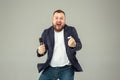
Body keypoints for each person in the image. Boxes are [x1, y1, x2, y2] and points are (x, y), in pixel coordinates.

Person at [37, 9, 83, 80]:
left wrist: (74, 45)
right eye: (56, 18)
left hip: (67, 69)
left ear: (65, 20)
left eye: (61, 18)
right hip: (50, 68)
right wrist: (39, 52)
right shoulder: (46, 32)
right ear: (52, 20)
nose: (59, 20)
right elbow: (43, 50)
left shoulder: (71, 30)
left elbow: (79, 45)